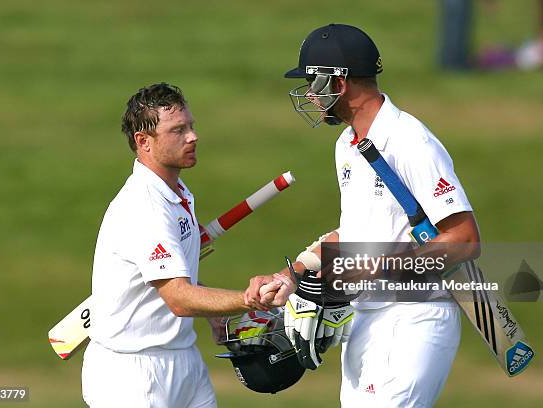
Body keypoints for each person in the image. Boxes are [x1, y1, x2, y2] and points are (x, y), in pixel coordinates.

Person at [248, 24, 481, 407]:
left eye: (313, 80)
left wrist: (373, 266)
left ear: (339, 84)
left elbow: (464, 240)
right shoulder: (347, 144)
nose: (308, 92)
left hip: (413, 318)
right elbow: (357, 232)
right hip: (363, 318)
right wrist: (291, 275)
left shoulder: (410, 141)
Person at [81, 82, 288, 408]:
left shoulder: (177, 193)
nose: (193, 136)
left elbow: (175, 276)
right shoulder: (145, 207)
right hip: (133, 373)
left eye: (190, 125)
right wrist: (247, 300)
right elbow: (177, 297)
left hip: (183, 357)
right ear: (143, 142)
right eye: (178, 130)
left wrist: (214, 315)